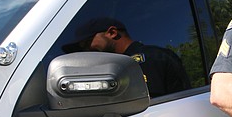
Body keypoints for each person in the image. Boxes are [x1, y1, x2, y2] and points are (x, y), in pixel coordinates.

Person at [63, 17, 191, 97]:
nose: (87, 50)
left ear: (112, 33)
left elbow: (150, 107)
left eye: (88, 42)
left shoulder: (149, 59)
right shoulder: (113, 67)